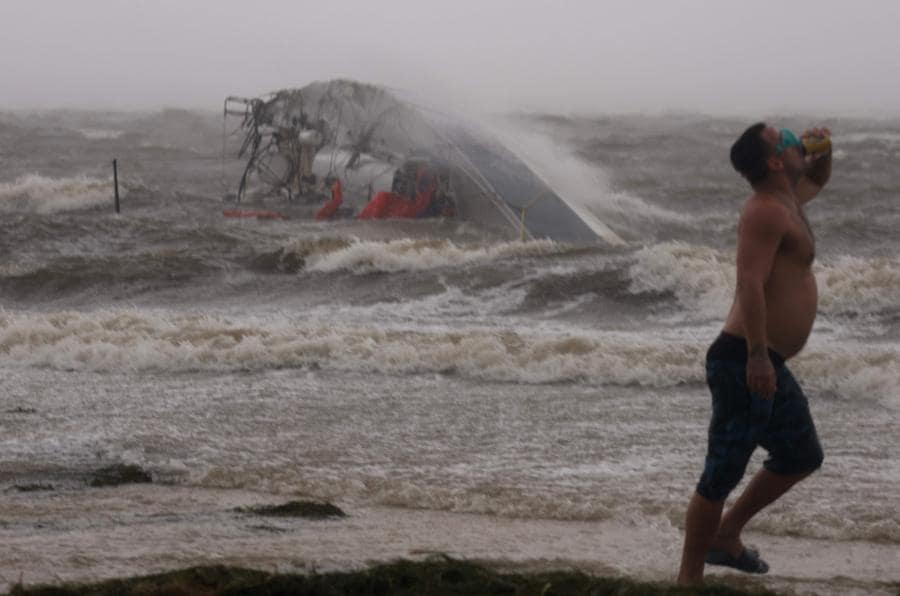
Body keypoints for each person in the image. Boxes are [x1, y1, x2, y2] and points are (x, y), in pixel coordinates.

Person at [677, 123, 832, 584]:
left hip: (766, 361)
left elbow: (818, 179)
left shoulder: (790, 199)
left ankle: (726, 537)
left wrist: (824, 151)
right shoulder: (765, 211)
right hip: (744, 358)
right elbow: (749, 283)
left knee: (802, 454)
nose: (793, 139)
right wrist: (758, 356)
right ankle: (688, 579)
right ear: (773, 162)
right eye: (785, 139)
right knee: (720, 473)